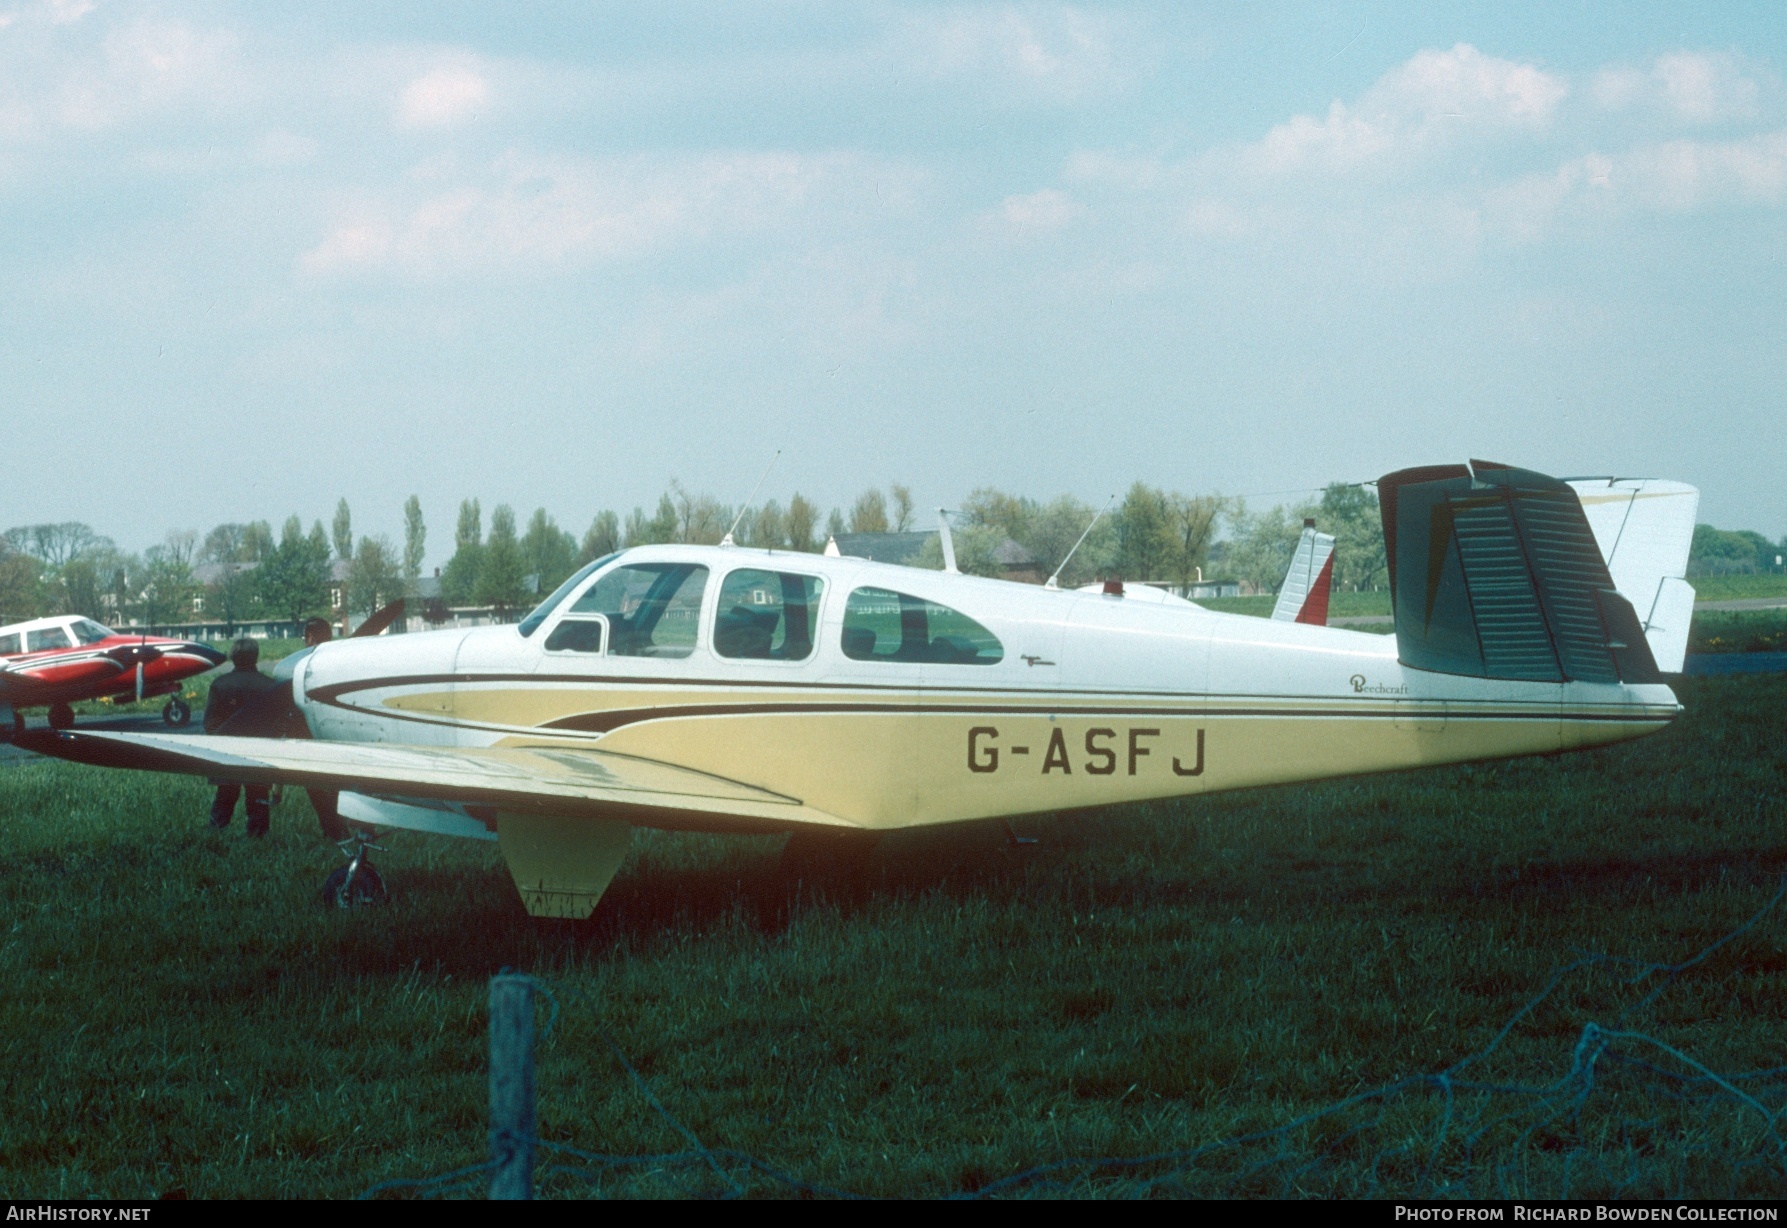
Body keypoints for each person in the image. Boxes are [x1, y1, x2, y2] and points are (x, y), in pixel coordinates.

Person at [205, 637, 278, 836]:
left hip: (228, 752)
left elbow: (211, 725)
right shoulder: (270, 686)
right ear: (256, 656)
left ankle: (215, 837)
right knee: (258, 798)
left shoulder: (220, 685)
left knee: (224, 798)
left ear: (233, 656)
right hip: (259, 753)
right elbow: (277, 724)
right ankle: (257, 838)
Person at [301, 618, 352, 841]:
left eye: (306, 637)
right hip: (341, 734)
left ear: (310, 637)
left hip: (310, 736)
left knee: (318, 789)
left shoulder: (304, 663)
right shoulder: (342, 660)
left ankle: (334, 832)